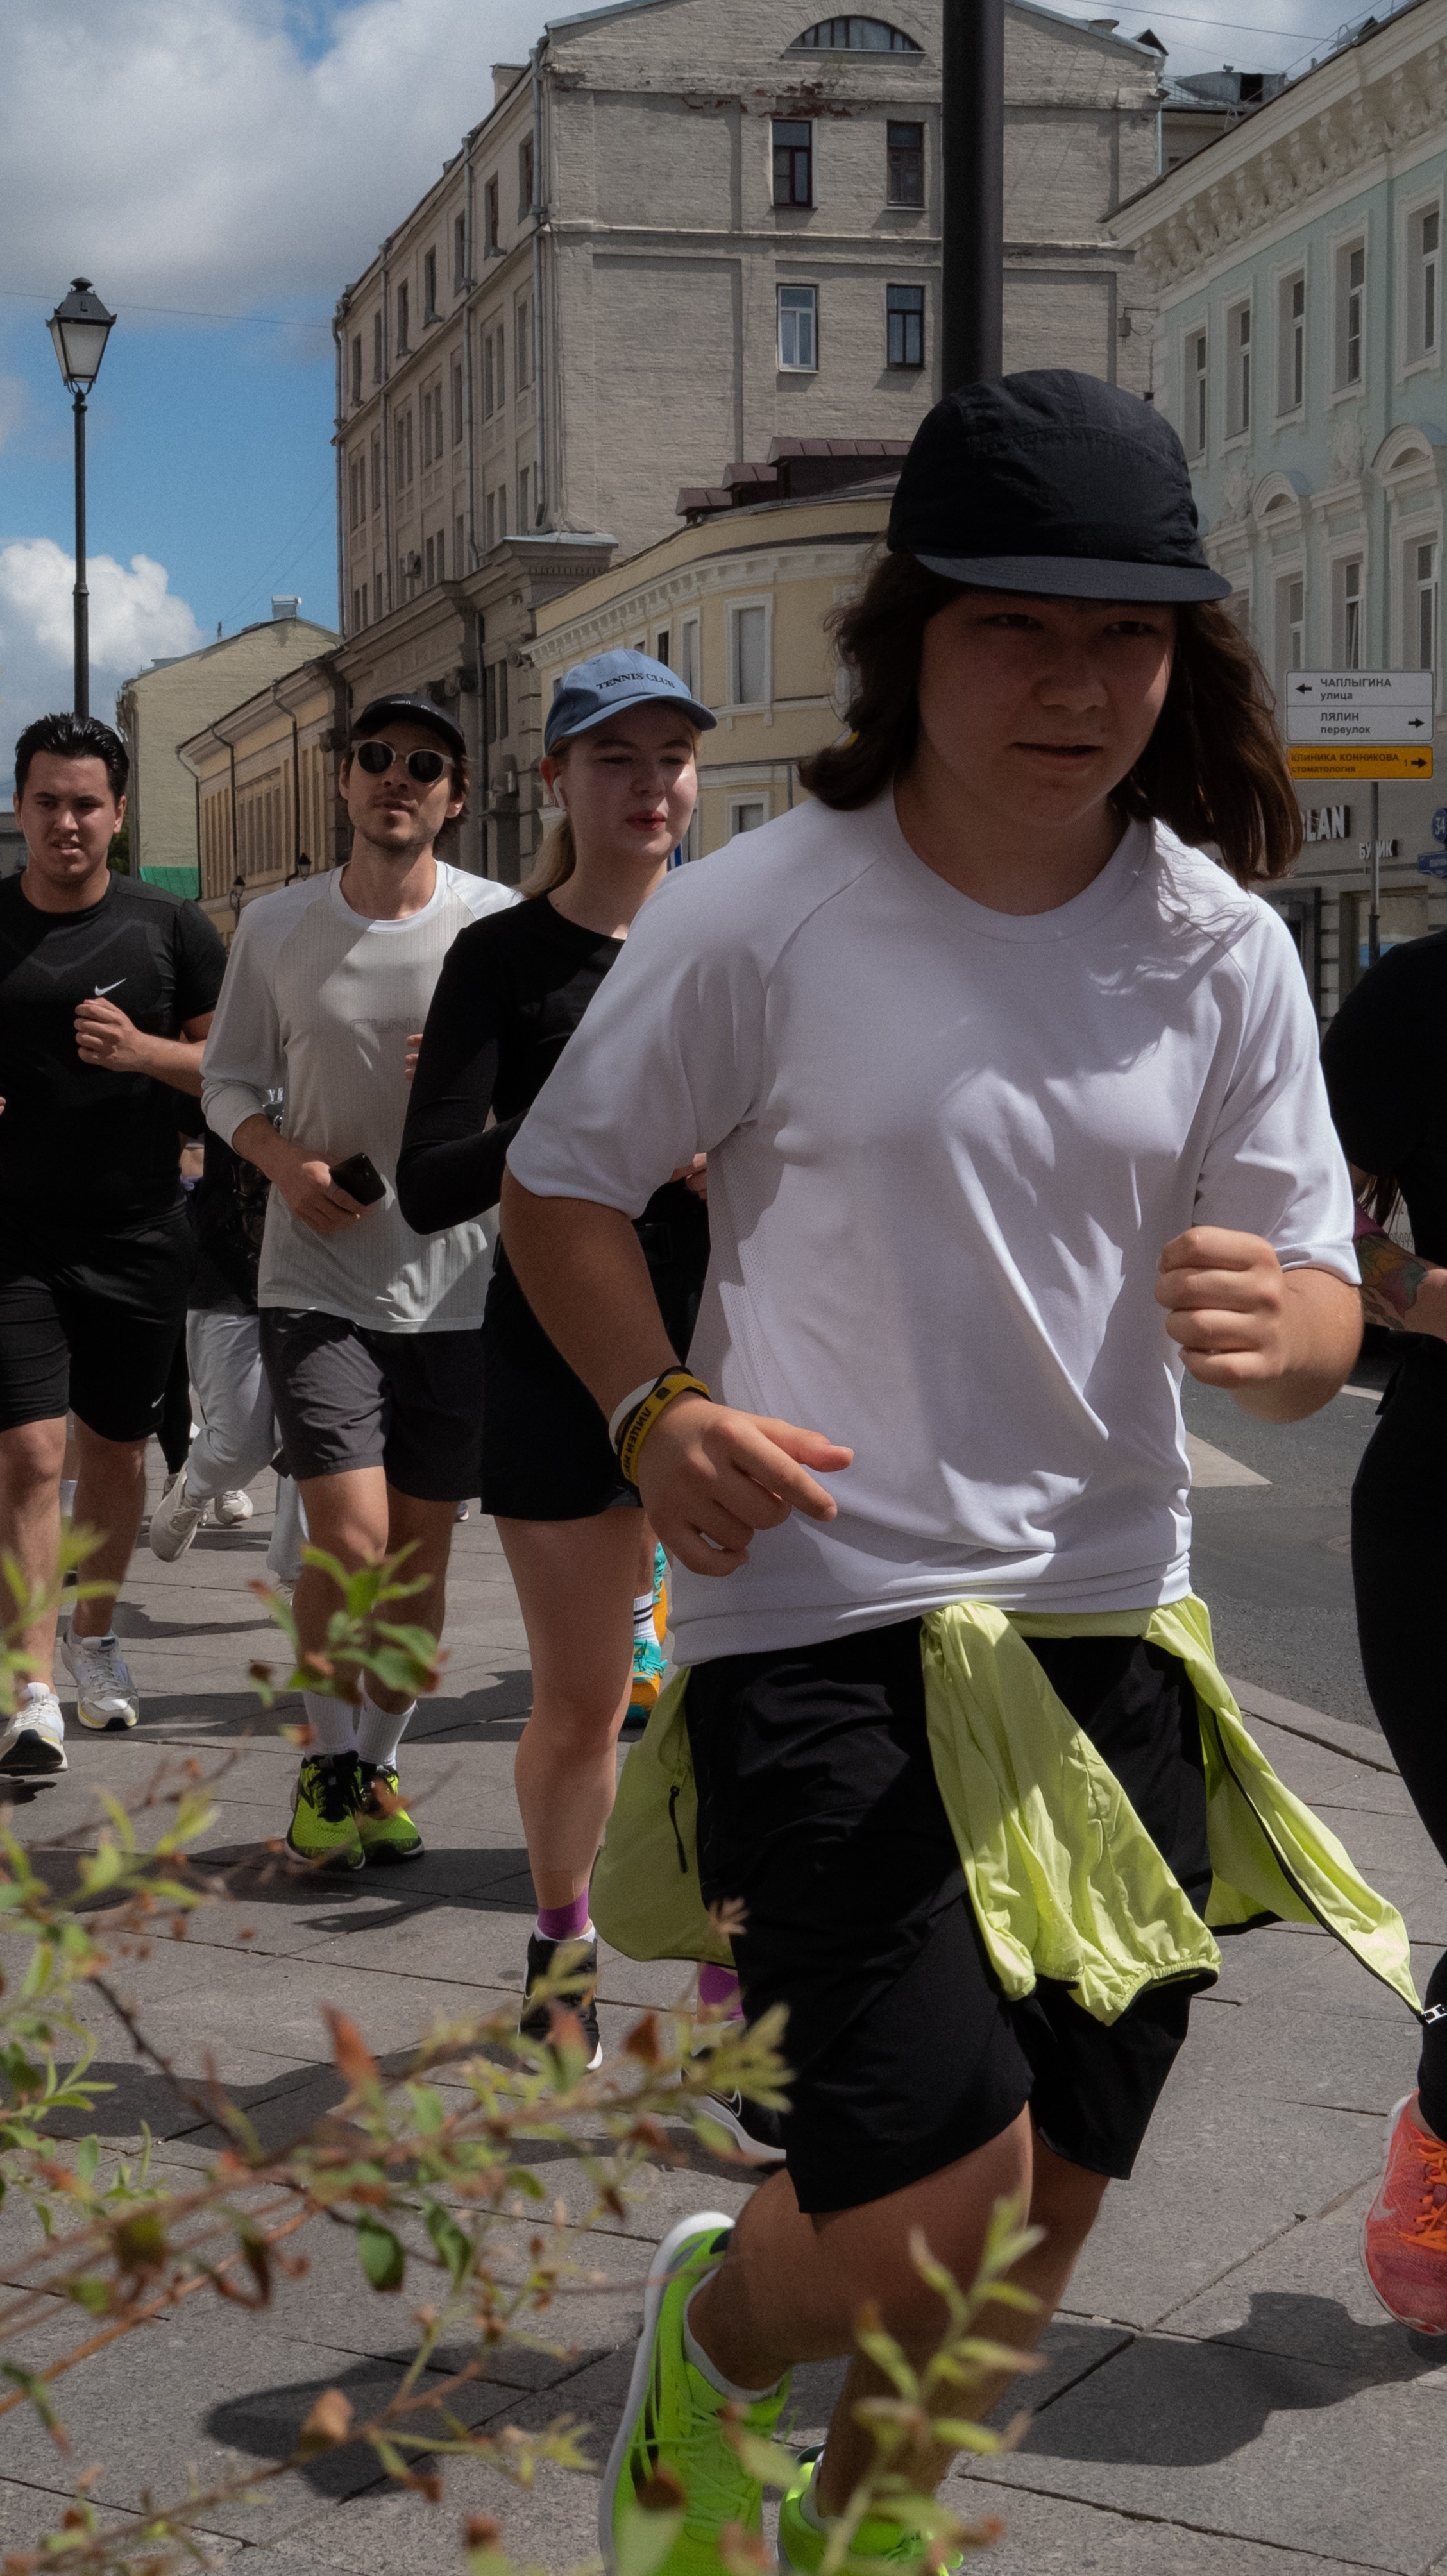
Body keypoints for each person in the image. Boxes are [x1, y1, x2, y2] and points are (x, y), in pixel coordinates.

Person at [496, 374, 1417, 2573]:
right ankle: (716, 2335)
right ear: (907, 630)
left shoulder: (1212, 943)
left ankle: (863, 2529)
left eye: (1124, 637)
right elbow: (560, 1189)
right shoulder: (762, 910)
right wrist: (651, 1409)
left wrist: (1292, 1333)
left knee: (1053, 2196)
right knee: (930, 2199)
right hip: (817, 1612)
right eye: (1015, 626)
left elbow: (1312, 1302)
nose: (1073, 683)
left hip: (1111, 1619)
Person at [397, 650, 713, 2071]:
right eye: (615, 760)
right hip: (554, 1356)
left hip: (728, 1347)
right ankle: (562, 1948)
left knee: (734, 1698)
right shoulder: (502, 958)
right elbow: (427, 1182)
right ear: (555, 780)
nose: (650, 787)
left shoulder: (734, 940)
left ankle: (726, 1984)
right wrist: (591, 1120)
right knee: (584, 1702)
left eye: (671, 759)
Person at [201, 695, 514, 1870]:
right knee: (353, 1538)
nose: (398, 777)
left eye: (424, 764)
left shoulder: (497, 924)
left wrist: (486, 1085)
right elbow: (226, 1079)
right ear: (343, 780)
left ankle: (376, 1767)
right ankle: (326, 1769)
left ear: (455, 795)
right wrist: (281, 1160)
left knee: (420, 1563)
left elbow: (560, 1084)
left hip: (460, 1285)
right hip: (317, 1275)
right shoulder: (276, 925)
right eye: (376, 757)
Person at [0, 713, 226, 1772]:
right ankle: (28, 1687)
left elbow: (233, 1071)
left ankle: (94, 1642)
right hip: (12, 1236)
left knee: (115, 1451)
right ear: (19, 807)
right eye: (47, 801)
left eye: (86, 803)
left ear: (120, 813)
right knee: (28, 1452)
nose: (66, 822)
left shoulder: (171, 927)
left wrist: (142, 1052)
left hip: (139, 1229)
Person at [1322, 951, 1447, 2335]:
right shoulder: (1417, 1000)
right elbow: (1316, 1223)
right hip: (1440, 1515)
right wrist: (1437, 1296)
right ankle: (1443, 2137)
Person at [148, 1113, 307, 1584]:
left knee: (312, 1437)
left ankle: (300, 1579)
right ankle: (195, 1487)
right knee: (241, 1443)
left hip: (324, 1271)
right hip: (229, 1268)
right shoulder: (226, 1066)